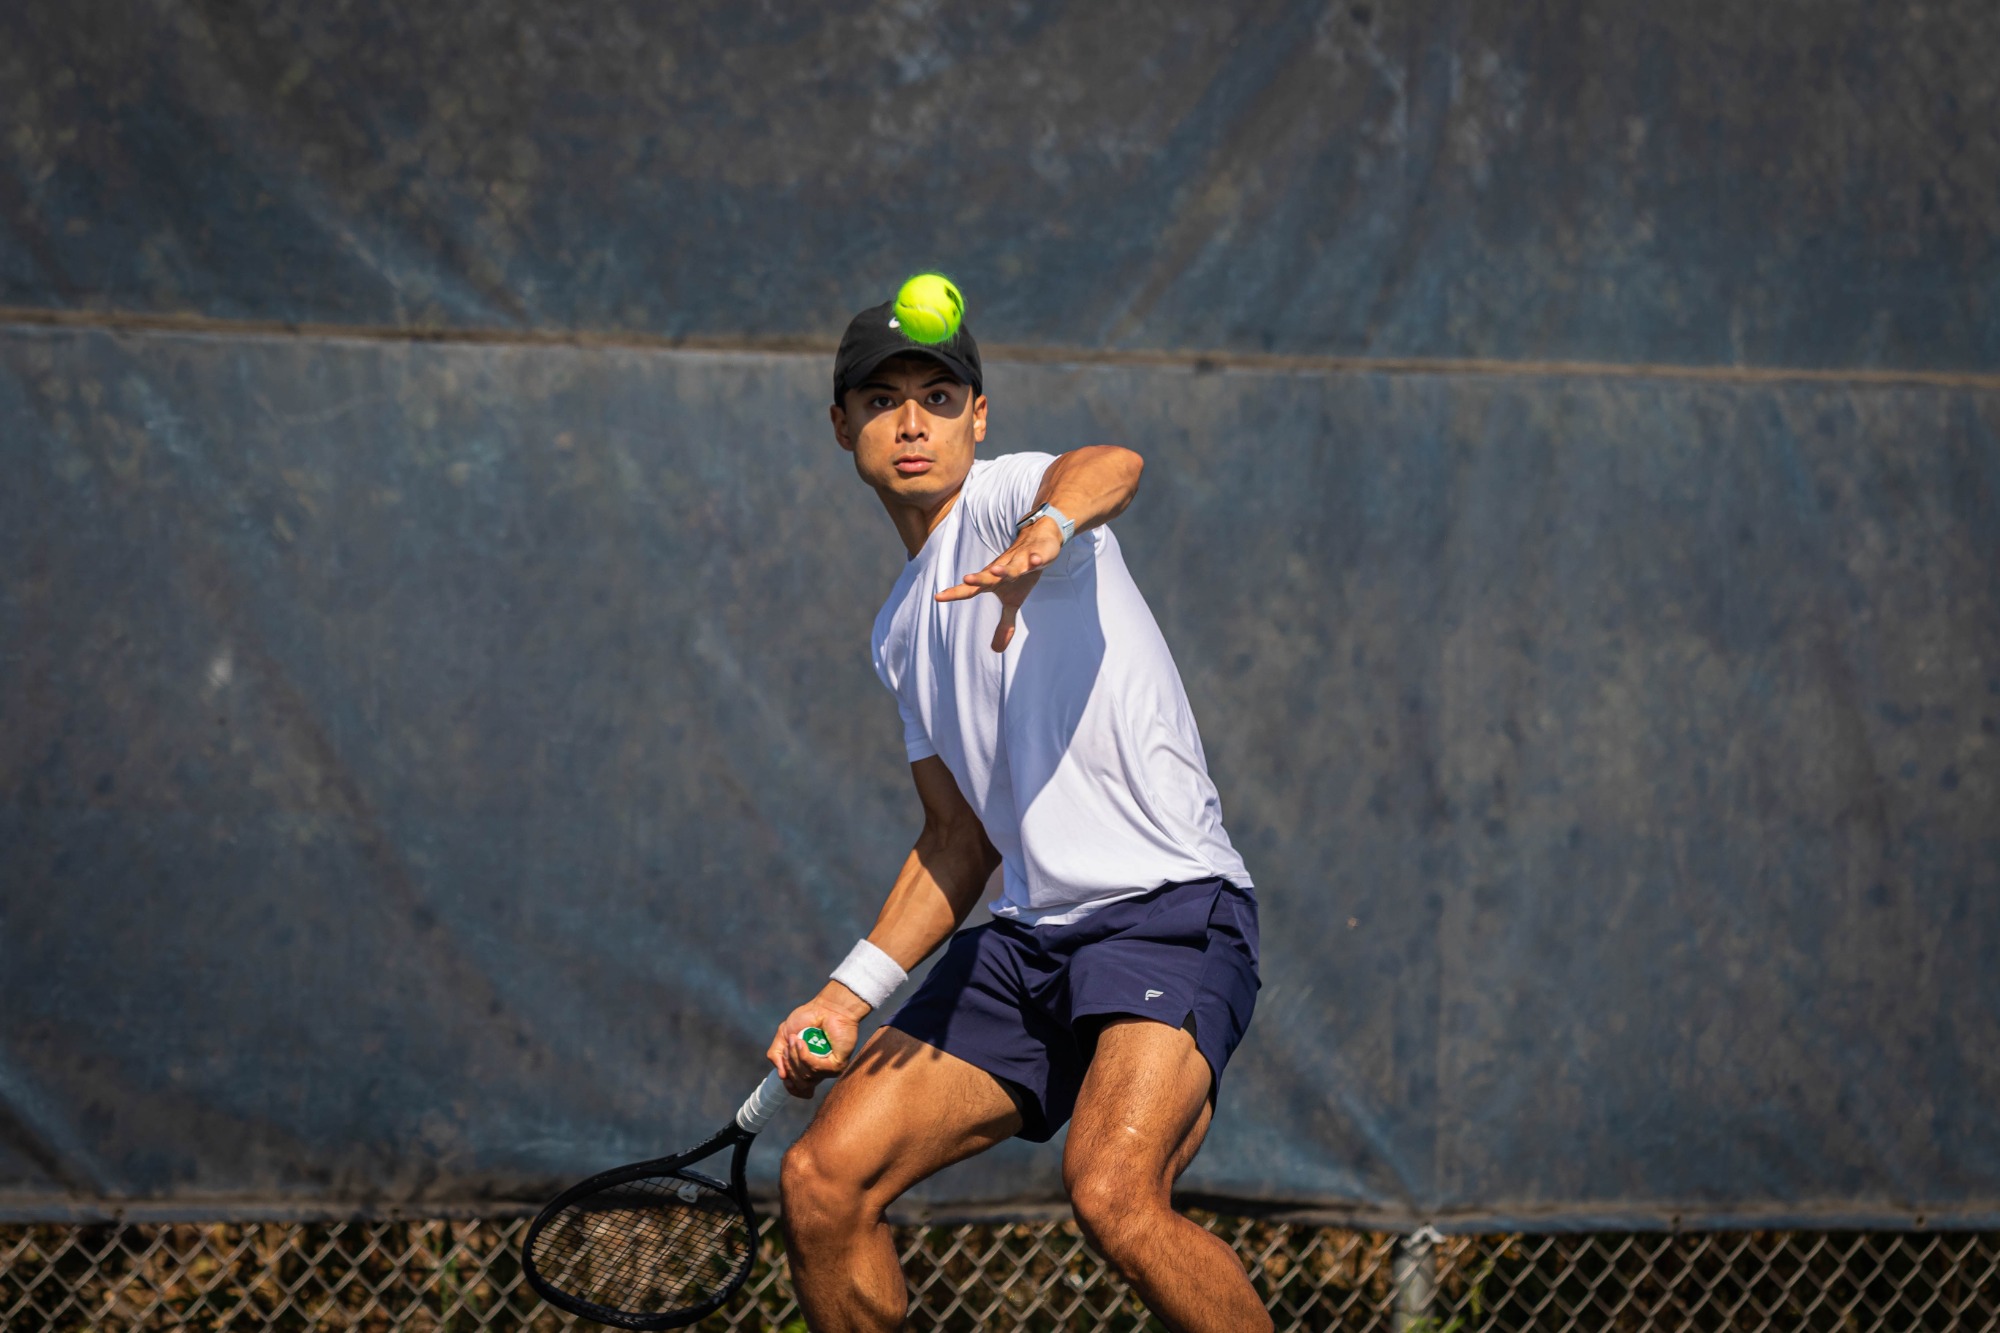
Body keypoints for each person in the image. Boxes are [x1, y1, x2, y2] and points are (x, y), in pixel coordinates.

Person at [767, 295, 1268, 1333]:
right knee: (823, 1181)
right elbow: (957, 841)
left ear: (977, 418)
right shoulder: (898, 630)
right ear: (840, 425)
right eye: (881, 400)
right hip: (1029, 943)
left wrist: (1047, 526)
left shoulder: (1004, 501)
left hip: (1165, 910)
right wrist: (846, 995)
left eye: (937, 399)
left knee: (1113, 1195)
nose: (911, 423)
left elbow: (1110, 462)